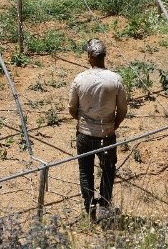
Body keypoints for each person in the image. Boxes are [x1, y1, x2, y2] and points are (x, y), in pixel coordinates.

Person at [68, 39, 127, 222]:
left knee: (85, 170)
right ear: (103, 57)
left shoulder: (80, 79)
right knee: (108, 169)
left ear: (90, 57)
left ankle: (88, 207)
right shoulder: (115, 79)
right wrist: (113, 125)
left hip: (85, 135)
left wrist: (84, 121)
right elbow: (123, 109)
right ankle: (104, 206)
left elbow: (72, 108)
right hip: (107, 135)